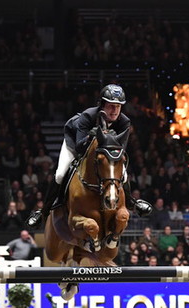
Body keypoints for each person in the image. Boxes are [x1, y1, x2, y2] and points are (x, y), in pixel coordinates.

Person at [26, 84, 153, 228]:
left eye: (118, 106)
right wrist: (91, 137)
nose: (115, 110)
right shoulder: (88, 116)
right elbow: (80, 146)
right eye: (111, 106)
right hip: (74, 144)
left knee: (122, 173)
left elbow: (120, 151)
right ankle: (43, 212)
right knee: (60, 174)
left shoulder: (124, 122)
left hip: (103, 153)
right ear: (102, 104)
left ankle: (132, 203)